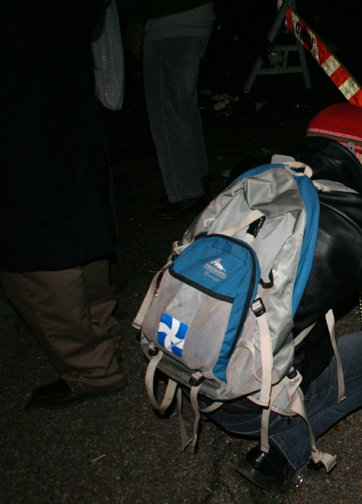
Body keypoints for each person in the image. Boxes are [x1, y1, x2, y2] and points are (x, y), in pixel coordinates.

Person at [203, 103, 362, 491]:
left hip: (191, 370)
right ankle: (279, 451)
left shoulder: (254, 178)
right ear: (358, 154)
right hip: (245, 402)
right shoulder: (355, 217)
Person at [0, 0, 128, 409]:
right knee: (81, 226)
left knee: (34, 250)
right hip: (67, 107)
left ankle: (92, 369)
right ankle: (103, 345)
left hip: (19, 119)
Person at [119, 0, 215, 218]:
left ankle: (187, 193)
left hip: (172, 20)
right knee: (183, 106)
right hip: (193, 14)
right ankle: (197, 181)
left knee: (167, 113)